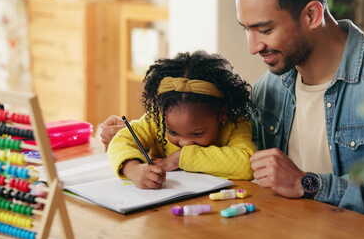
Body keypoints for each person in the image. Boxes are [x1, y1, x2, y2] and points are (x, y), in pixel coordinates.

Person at [100, 0, 364, 227]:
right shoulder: (271, 88)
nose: (252, 47)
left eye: (264, 30)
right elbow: (210, 143)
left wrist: (308, 184)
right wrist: (130, 143)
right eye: (246, 29)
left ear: (311, 15)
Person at [106, 51, 256, 189]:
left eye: (197, 133)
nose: (184, 142)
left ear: (221, 115)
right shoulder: (156, 121)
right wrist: (132, 169)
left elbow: (248, 165)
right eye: (173, 132)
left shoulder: (235, 124)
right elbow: (121, 140)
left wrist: (179, 158)